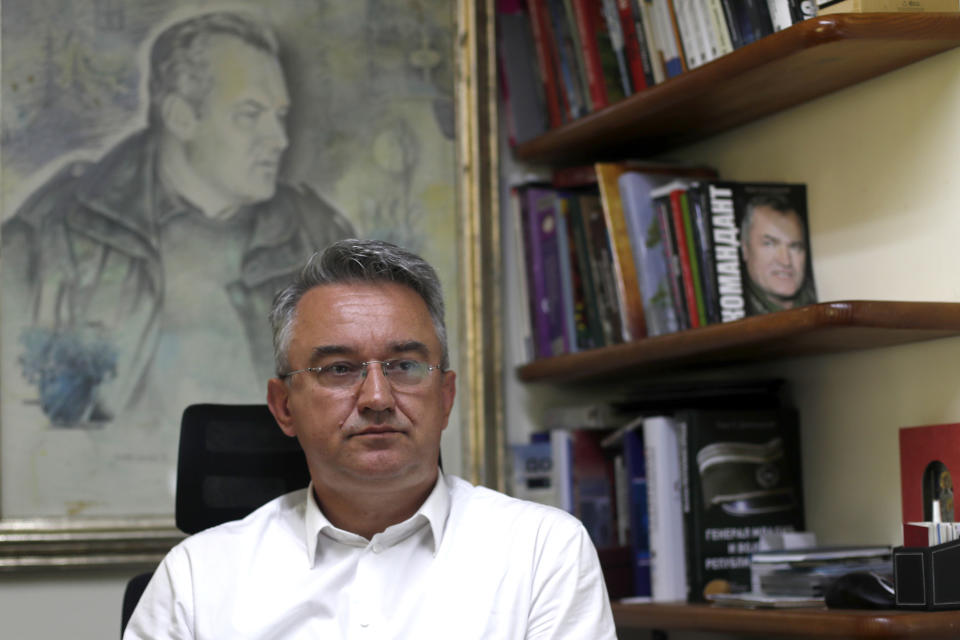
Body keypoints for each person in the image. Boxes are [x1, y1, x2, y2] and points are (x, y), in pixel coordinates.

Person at [123, 239, 617, 639]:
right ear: (284, 406)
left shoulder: (542, 553)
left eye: (404, 365)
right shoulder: (196, 577)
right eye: (340, 369)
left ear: (445, 396)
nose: (377, 397)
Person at [1, 11, 354, 426]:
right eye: (249, 114)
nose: (279, 139)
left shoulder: (320, 236)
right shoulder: (54, 229)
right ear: (181, 117)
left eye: (278, 115)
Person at [739, 194, 816, 315]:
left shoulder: (821, 310)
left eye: (795, 246)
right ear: (745, 249)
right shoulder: (733, 315)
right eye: (769, 244)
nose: (785, 261)